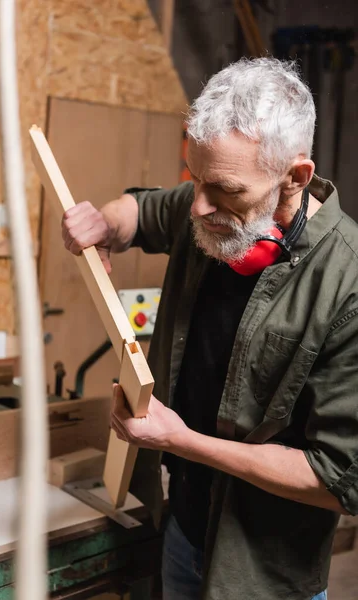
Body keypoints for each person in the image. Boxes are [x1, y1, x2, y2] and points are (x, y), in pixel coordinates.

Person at [61, 57, 358, 600]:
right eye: (192, 177)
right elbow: (140, 211)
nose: (197, 205)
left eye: (221, 188)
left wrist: (183, 442)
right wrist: (104, 224)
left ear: (295, 177)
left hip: (263, 576)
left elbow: (339, 480)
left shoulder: (348, 286)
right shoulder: (211, 204)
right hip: (181, 530)